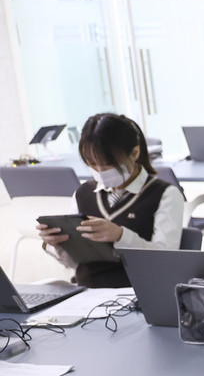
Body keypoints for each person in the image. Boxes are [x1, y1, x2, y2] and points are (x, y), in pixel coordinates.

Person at [36, 112, 184, 288]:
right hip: (86, 294)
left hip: (137, 293)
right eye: (91, 163)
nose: (99, 170)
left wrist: (120, 236)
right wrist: (57, 245)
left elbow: (164, 260)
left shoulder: (164, 194)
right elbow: (75, 265)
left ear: (135, 153)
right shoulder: (83, 194)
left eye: (107, 164)